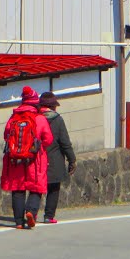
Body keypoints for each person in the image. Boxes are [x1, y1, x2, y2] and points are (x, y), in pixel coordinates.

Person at [0, 86, 53, 229]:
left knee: (18, 188)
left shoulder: (13, 118)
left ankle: (18, 221)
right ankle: (31, 211)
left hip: (15, 158)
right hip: (35, 158)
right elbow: (48, 139)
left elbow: (6, 136)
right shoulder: (40, 119)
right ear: (35, 103)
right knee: (36, 186)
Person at [39, 91, 76, 224]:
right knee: (53, 188)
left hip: (36, 159)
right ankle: (48, 216)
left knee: (36, 187)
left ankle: (30, 212)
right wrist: (72, 160)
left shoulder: (35, 118)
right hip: (54, 159)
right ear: (53, 106)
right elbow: (65, 142)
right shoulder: (57, 119)